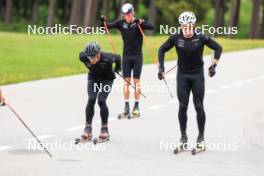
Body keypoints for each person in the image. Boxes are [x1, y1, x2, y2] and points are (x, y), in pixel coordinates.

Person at [158, 12, 222, 146]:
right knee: (182, 106)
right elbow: (162, 49)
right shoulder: (176, 37)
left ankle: (201, 137)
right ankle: (183, 137)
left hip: (197, 75)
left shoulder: (201, 36)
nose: (186, 29)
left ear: (193, 25)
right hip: (182, 75)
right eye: (183, 26)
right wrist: (161, 68)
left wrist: (213, 65)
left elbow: (218, 47)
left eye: (189, 26)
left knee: (199, 106)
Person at [100, 3, 154, 118]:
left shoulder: (138, 22)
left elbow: (151, 26)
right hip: (127, 57)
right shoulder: (120, 23)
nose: (127, 17)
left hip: (137, 56)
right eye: (125, 15)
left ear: (133, 13)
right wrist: (103, 22)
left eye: (129, 15)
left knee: (136, 81)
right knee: (126, 82)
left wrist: (142, 22)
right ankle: (126, 105)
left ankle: (136, 106)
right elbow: (106, 27)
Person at [79, 42, 121, 141]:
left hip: (107, 79)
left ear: (98, 54)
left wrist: (118, 68)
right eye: (89, 57)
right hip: (93, 78)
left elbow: (118, 57)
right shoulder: (83, 57)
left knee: (101, 100)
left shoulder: (108, 58)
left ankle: (104, 129)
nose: (91, 59)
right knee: (91, 99)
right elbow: (82, 55)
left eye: (93, 57)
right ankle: (88, 128)